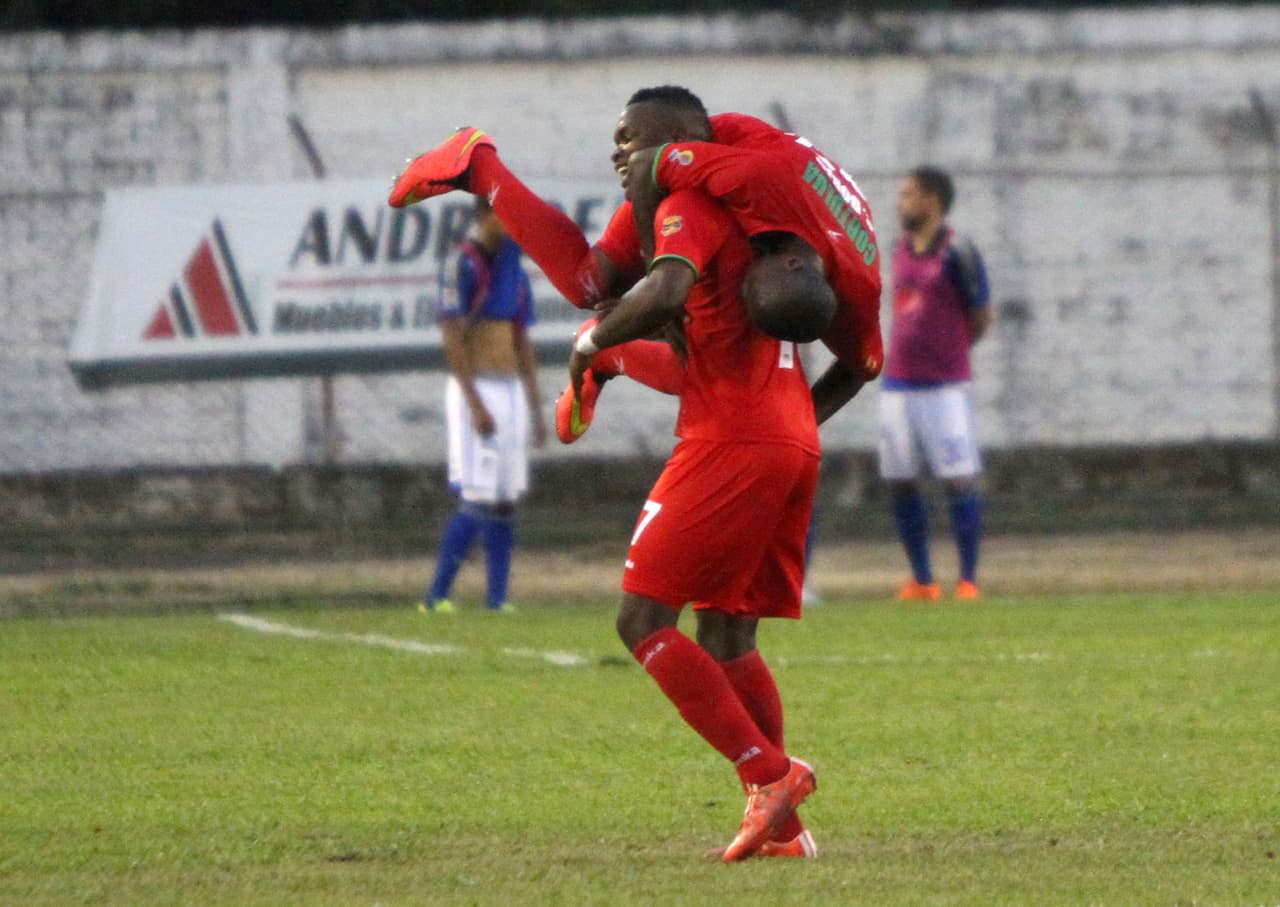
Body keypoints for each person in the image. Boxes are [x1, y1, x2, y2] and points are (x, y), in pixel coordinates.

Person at [389, 86, 864, 862]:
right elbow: (688, 341)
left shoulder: (691, 203)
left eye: (630, 138)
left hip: (734, 436)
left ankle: (771, 776)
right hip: (788, 428)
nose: (617, 152)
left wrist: (589, 344)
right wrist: (605, 338)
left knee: (642, 621)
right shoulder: (755, 205)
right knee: (727, 632)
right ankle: (784, 826)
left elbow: (666, 292)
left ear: (678, 144)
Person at [421, 195, 547, 614]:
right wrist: (474, 403)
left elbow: (521, 339)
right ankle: (436, 596)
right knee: (477, 495)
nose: (508, 224)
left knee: (506, 497)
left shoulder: (515, 268)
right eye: (500, 215)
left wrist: (536, 408)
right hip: (477, 387)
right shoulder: (461, 265)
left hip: (510, 390)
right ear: (481, 217)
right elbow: (453, 337)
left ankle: (498, 598)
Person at [879, 166, 991, 602]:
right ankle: (922, 578)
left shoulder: (959, 252)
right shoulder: (897, 249)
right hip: (897, 383)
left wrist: (953, 349)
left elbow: (980, 315)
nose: (900, 202)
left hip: (944, 386)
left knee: (958, 478)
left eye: (908, 195)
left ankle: (968, 579)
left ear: (932, 200)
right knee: (901, 479)